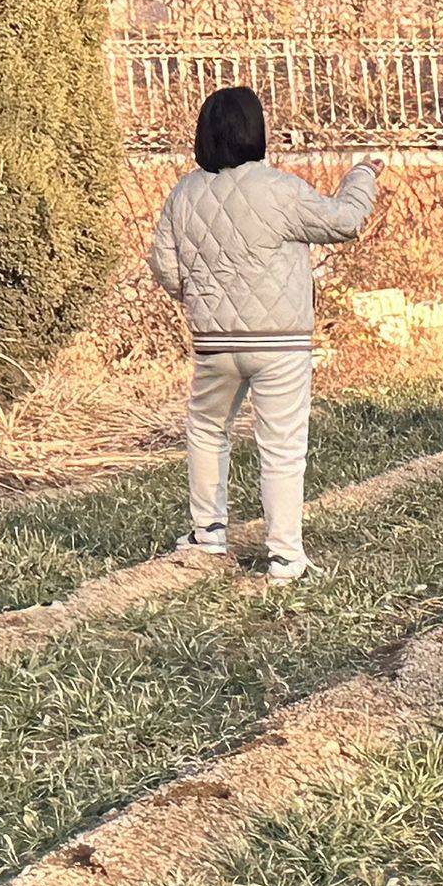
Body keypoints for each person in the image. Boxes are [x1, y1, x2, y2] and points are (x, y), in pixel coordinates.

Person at [146, 84, 376, 586]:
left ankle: (207, 534)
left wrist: (195, 298)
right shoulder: (280, 189)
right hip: (280, 343)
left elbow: (164, 264)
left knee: (207, 431)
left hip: (214, 343)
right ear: (257, 133)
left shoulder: (183, 193)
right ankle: (284, 556)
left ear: (204, 135)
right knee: (282, 446)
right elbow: (347, 221)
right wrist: (361, 174)